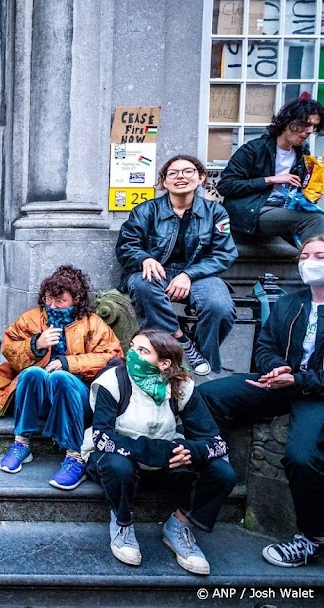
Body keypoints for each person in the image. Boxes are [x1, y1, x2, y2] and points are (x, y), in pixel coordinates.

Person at [200, 234, 324, 568]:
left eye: (320, 255)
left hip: (316, 394)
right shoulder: (289, 303)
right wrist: (274, 367)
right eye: (305, 255)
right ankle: (216, 467)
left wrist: (298, 379)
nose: (310, 261)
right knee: (208, 395)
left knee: (301, 456)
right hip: (280, 384)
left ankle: (310, 538)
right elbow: (264, 347)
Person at [83, 329, 235, 575]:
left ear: (165, 364)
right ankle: (122, 525)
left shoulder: (182, 386)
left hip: (164, 463)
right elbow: (102, 437)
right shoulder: (112, 381)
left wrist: (190, 450)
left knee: (223, 472)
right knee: (116, 464)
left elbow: (216, 442)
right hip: (118, 458)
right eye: (132, 347)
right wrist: (162, 451)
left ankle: (179, 525)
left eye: (142, 351)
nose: (132, 354)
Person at [0, 266, 122, 490]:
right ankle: (21, 443)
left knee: (62, 377)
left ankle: (75, 456)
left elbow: (113, 358)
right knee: (32, 373)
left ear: (76, 299)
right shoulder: (32, 319)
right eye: (48, 299)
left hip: (78, 399)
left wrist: (70, 363)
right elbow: (10, 350)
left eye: (60, 300)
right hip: (40, 399)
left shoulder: (92, 324)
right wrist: (36, 345)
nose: (52, 305)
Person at [116, 154, 238, 376]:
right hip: (156, 271)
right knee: (143, 284)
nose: (180, 177)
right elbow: (126, 245)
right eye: (173, 173)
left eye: (188, 171)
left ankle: (199, 360)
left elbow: (224, 253)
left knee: (219, 306)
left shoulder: (215, 212)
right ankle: (179, 340)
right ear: (164, 182)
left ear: (201, 178)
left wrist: (189, 274)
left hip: (199, 274)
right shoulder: (146, 210)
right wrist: (144, 258)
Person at [217, 95, 324, 247]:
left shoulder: (302, 151)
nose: (309, 131)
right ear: (288, 121)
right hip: (253, 211)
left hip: (286, 209)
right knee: (315, 220)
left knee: (316, 228)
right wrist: (271, 179)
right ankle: (313, 264)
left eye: (314, 127)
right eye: (305, 124)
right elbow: (225, 186)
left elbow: (298, 191)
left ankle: (312, 265)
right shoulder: (254, 149)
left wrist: (314, 189)